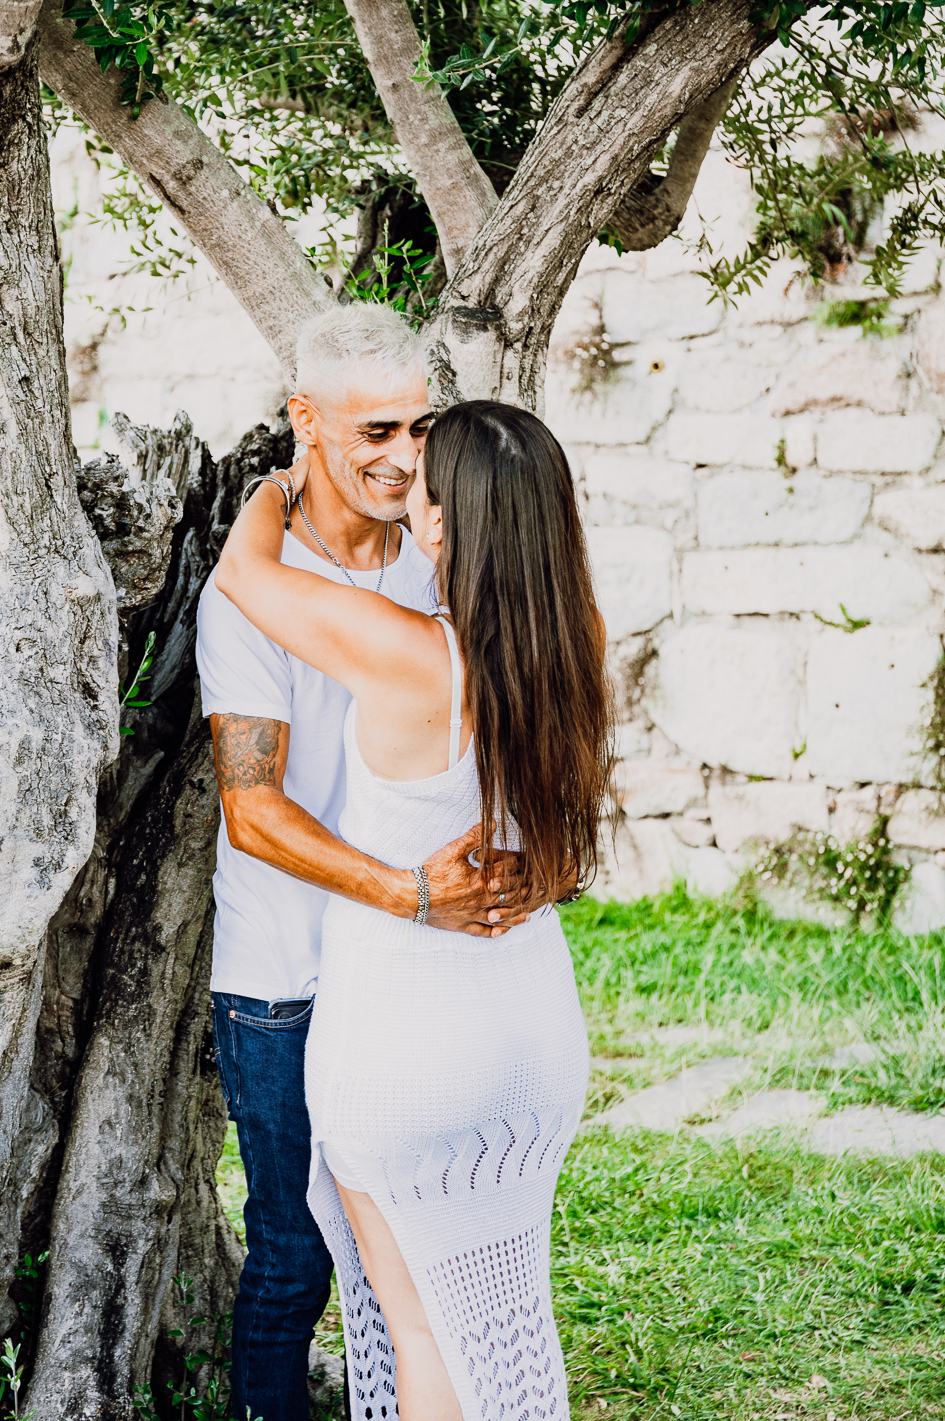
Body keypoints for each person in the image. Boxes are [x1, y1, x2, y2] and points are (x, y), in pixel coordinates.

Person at [216, 396, 613, 1420]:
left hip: (408, 1046)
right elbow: (564, 844)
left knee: (420, 1323)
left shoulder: (407, 652)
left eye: (421, 492)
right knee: (499, 1315)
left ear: (442, 523)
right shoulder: (569, 646)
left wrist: (278, 480)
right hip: (530, 1031)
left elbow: (247, 575)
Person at [195, 307, 529, 1421]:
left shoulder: (445, 554)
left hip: (412, 976)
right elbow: (254, 812)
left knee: (417, 1258)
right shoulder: (253, 588)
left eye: (419, 428)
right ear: (306, 419)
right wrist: (410, 894)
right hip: (288, 974)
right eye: (373, 429)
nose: (400, 457)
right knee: (297, 1258)